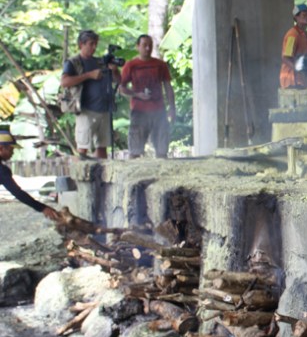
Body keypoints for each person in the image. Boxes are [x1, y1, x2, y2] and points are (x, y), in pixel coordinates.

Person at [60, 29, 121, 158]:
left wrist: (114, 70)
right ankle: (81, 176)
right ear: (81, 44)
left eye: (96, 44)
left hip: (104, 109)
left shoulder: (100, 62)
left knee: (102, 147)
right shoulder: (73, 62)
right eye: (91, 44)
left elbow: (118, 80)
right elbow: (65, 82)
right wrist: (89, 75)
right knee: (83, 147)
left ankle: (101, 176)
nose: (94, 47)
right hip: (86, 110)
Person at [119, 35, 176, 158]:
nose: (147, 48)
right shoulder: (131, 65)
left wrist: (172, 108)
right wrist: (136, 94)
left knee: (162, 150)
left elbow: (168, 87)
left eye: (150, 45)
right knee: (135, 151)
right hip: (139, 111)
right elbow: (121, 88)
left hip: (159, 111)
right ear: (138, 46)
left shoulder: (160, 65)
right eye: (144, 45)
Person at [0, 127, 60, 221]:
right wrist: (43, 208)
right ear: (1, 148)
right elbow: (18, 193)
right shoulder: (2, 171)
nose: (12, 153)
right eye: (11, 149)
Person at [280, 3, 307, 89]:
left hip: (300, 79)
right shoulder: (292, 35)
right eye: (304, 15)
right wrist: (298, 69)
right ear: (296, 17)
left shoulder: (305, 34)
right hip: (290, 79)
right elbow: (285, 57)